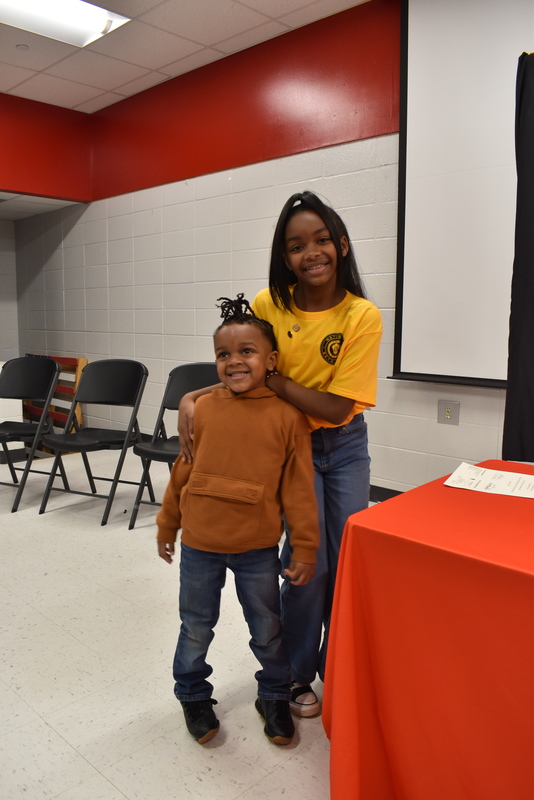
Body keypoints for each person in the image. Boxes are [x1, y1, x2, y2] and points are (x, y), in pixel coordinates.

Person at [179, 192, 382, 719]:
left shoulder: (362, 315)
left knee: (348, 561)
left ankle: (342, 665)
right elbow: (242, 366)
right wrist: (194, 395)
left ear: (340, 245)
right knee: (305, 565)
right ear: (284, 255)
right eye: (296, 246)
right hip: (287, 444)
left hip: (344, 447)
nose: (310, 253)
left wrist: (278, 381)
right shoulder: (271, 303)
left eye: (320, 241)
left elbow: (337, 408)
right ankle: (295, 675)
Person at [157, 295, 319, 746]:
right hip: (200, 544)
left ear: (271, 359)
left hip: (257, 548)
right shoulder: (203, 409)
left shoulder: (289, 418)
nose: (234, 362)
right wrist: (168, 523)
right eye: (223, 354)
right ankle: (192, 693)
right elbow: (183, 469)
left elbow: (299, 491)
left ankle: (272, 694)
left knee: (267, 628)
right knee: (196, 625)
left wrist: (305, 546)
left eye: (246, 351)